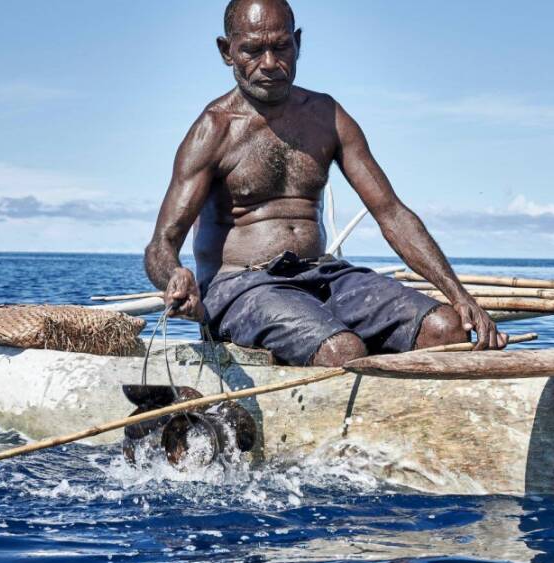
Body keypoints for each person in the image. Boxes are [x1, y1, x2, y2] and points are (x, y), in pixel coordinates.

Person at [144, 0, 506, 367]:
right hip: (242, 287)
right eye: (253, 50)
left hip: (321, 274)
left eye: (281, 46)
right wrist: (175, 276)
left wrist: (461, 297)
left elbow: (391, 213)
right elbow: (161, 244)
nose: (269, 63)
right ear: (227, 52)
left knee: (446, 329)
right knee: (342, 352)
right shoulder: (214, 129)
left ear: (297, 43)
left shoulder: (327, 116)